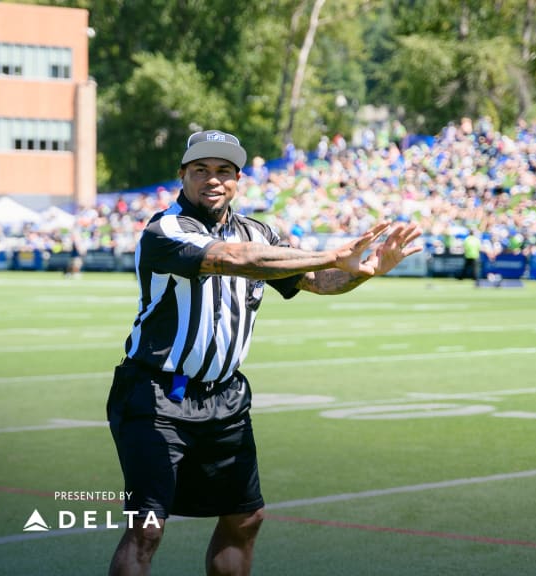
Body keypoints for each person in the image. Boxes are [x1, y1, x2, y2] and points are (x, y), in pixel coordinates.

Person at [106, 130, 421, 576]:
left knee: (245, 517)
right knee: (148, 527)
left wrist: (364, 272)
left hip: (225, 397)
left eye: (223, 171)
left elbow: (314, 282)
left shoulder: (259, 231)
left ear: (238, 179)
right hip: (157, 394)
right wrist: (330, 254)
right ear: (182, 175)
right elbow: (234, 259)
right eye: (201, 170)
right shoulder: (166, 229)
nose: (212, 180)